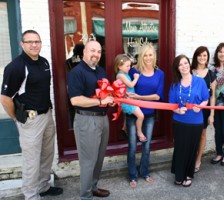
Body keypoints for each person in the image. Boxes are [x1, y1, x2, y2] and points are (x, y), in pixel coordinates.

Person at [0, 30, 63, 199]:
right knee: (31, 161)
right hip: (30, 120)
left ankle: (43, 186)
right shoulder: (16, 67)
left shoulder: (43, 62)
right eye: (29, 42)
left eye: (37, 41)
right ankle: (31, 195)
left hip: (47, 115)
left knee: (47, 154)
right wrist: (16, 119)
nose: (34, 45)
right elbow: (5, 99)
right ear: (22, 44)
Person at [67, 40, 114, 199]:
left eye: (99, 51)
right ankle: (85, 196)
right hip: (86, 120)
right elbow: (75, 100)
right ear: (84, 52)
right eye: (92, 50)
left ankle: (93, 187)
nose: (96, 54)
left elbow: (104, 92)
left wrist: (111, 99)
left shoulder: (100, 71)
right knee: (88, 161)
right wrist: (100, 102)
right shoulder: (77, 72)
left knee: (99, 158)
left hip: (102, 119)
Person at [126, 44, 164, 188]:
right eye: (145, 55)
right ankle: (132, 175)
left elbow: (157, 97)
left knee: (146, 145)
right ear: (141, 56)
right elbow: (126, 89)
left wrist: (138, 97)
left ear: (154, 56)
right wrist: (131, 97)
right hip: (133, 114)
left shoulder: (160, 73)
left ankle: (144, 172)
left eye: (151, 55)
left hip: (149, 115)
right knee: (132, 146)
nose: (148, 58)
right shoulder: (134, 71)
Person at [169, 54, 209, 187]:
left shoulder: (200, 81)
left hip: (196, 121)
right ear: (177, 68)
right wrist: (177, 110)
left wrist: (201, 106)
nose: (184, 66)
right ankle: (179, 175)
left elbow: (205, 98)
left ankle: (188, 174)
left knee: (192, 148)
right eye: (180, 64)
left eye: (185, 63)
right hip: (179, 121)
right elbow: (172, 105)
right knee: (180, 148)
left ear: (189, 64)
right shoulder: (175, 85)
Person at [191, 46, 216, 173]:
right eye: (200, 55)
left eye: (205, 55)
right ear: (196, 56)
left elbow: (212, 95)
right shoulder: (190, 71)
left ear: (207, 57)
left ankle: (198, 159)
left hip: (204, 109)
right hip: (191, 109)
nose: (202, 58)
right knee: (190, 134)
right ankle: (189, 157)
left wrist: (212, 114)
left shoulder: (211, 74)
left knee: (202, 134)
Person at [114, 54, 147, 142]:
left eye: (130, 65)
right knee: (141, 116)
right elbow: (131, 84)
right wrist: (136, 78)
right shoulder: (120, 75)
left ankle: (124, 129)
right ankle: (139, 132)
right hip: (128, 102)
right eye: (127, 66)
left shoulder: (125, 73)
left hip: (130, 99)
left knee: (127, 117)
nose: (129, 68)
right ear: (119, 66)